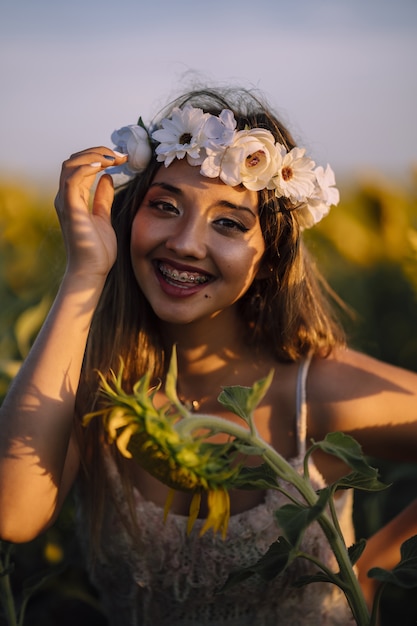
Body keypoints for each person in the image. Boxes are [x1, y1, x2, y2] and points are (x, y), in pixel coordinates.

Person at [0, 86, 416, 626]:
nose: (187, 243)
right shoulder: (103, 383)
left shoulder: (316, 392)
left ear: (270, 258)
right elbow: (12, 514)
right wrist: (85, 274)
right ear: (129, 219)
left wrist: (370, 576)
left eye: (229, 223)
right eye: (164, 206)